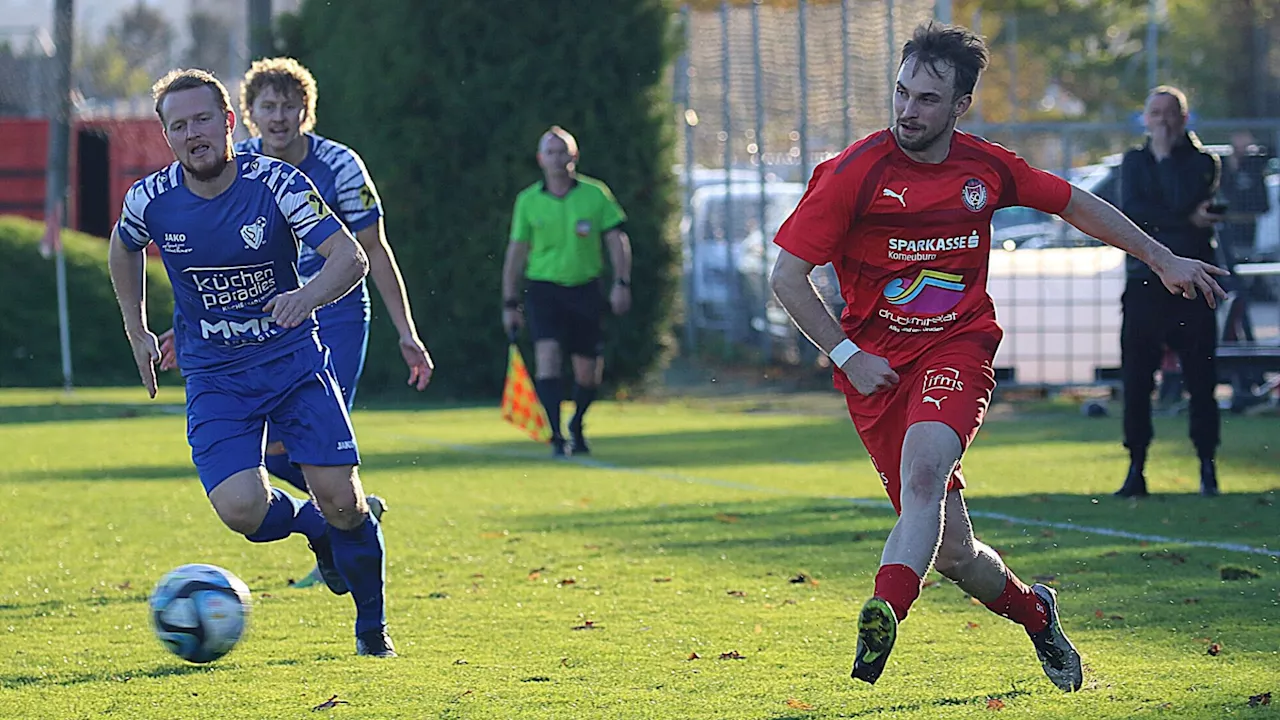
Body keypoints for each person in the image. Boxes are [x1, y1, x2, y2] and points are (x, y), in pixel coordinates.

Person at [769, 23, 1225, 691]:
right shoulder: (854, 174)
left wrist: (1161, 256)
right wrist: (845, 354)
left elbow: (1074, 204)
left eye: (926, 99)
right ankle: (1037, 614)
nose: (907, 111)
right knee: (954, 551)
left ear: (960, 107)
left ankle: (882, 615)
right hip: (875, 372)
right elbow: (787, 276)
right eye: (900, 93)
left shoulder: (986, 169)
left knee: (925, 474)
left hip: (959, 347)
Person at [108, 68, 395, 657]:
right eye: (179, 125)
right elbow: (124, 243)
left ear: (229, 123)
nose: (194, 134)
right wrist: (136, 329)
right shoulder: (151, 201)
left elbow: (349, 257)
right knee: (241, 509)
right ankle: (312, 528)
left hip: (293, 365)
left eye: (204, 119)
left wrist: (305, 298)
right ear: (167, 136)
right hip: (215, 377)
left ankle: (372, 631)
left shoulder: (277, 183)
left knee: (344, 499)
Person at [157, 57, 434, 587]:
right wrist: (192, 327)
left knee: (311, 442)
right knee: (261, 453)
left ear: (306, 111)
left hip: (336, 311)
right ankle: (338, 521)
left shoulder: (341, 165)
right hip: (264, 318)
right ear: (248, 114)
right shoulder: (235, 165)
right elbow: (207, 263)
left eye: (290, 106)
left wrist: (407, 332)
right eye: (269, 106)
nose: (280, 116)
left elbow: (371, 249)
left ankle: (340, 528)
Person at [1114, 87, 1224, 498]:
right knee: (1137, 378)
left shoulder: (1203, 162)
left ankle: (1207, 466)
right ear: (1145, 118)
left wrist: (1164, 160)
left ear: (1184, 118)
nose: (1162, 121)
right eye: (1155, 113)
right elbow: (1132, 213)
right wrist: (1186, 222)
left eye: (1170, 114)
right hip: (1144, 285)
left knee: (1201, 378)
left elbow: (1173, 201)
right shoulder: (1133, 162)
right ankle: (1136, 466)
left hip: (1193, 287)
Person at [500, 126, 632, 457]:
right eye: (551, 152)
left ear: (574, 156)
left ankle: (578, 422)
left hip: (585, 288)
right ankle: (556, 433)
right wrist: (509, 301)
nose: (558, 159)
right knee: (548, 358)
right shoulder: (528, 201)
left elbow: (616, 239)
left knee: (588, 370)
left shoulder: (595, 194)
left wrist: (622, 282)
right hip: (544, 289)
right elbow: (516, 252)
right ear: (540, 159)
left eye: (563, 152)